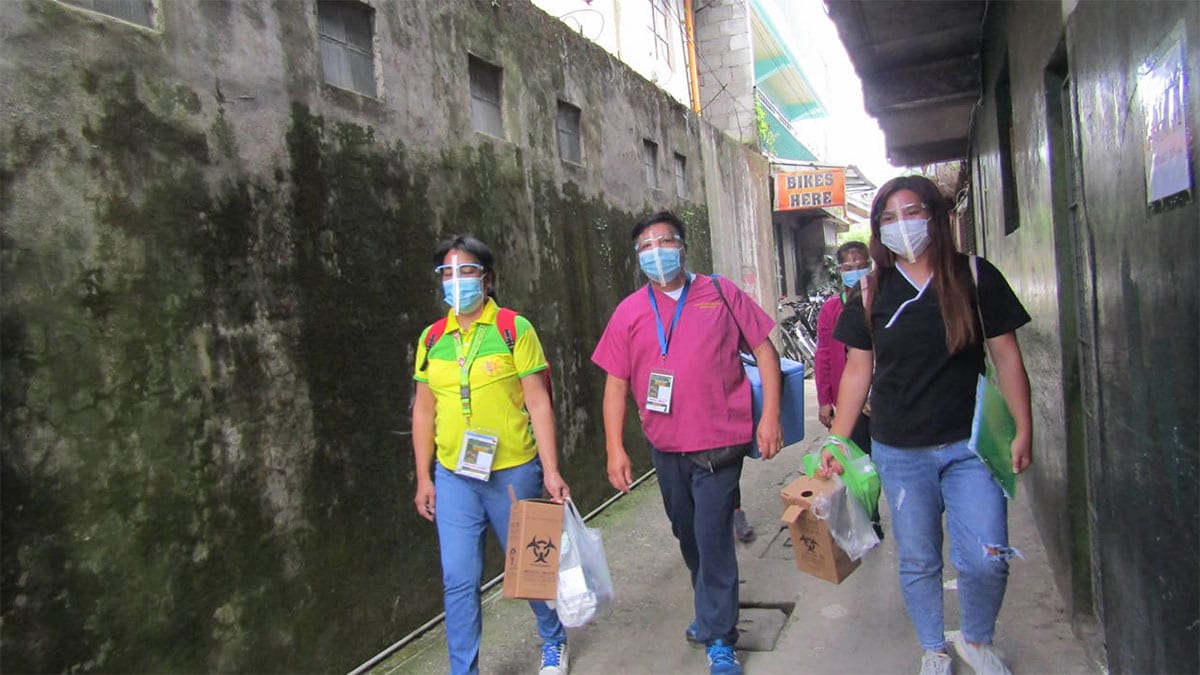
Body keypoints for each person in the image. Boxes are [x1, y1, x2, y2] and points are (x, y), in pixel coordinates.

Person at [819, 175, 1032, 675]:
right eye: (889, 218)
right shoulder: (872, 290)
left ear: (935, 217)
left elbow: (1006, 355)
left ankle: (977, 640)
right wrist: (838, 438)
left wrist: (1023, 427)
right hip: (900, 451)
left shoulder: (974, 277)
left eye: (912, 212)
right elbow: (857, 369)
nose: (902, 225)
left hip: (972, 448)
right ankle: (934, 647)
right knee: (918, 559)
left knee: (986, 556)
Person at [591, 211, 784, 675]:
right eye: (646, 246)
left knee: (713, 536)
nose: (656, 252)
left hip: (720, 442)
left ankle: (720, 637)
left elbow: (765, 351)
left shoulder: (719, 293)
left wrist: (771, 415)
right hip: (666, 447)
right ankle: (710, 606)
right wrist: (615, 448)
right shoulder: (630, 312)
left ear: (683, 245)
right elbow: (615, 385)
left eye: (665, 241)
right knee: (688, 532)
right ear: (637, 257)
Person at [411, 235, 572, 675]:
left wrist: (551, 470)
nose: (456, 281)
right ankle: (464, 669)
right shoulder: (431, 339)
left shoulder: (513, 329)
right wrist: (424, 477)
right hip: (454, 478)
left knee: (529, 570)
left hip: (513, 473)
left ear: (488, 278)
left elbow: (538, 403)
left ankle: (554, 640)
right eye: (447, 273)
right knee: (459, 580)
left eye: (467, 271)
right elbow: (425, 410)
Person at [814, 240, 872, 453]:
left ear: (870, 265)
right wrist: (825, 399)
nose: (855, 272)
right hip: (850, 397)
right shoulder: (831, 309)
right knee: (860, 464)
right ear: (840, 270)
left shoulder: (882, 299)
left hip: (884, 397)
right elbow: (823, 356)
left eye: (860, 266)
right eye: (848, 268)